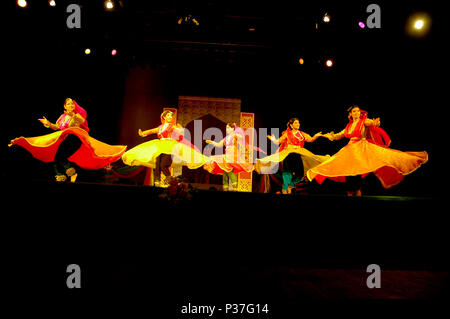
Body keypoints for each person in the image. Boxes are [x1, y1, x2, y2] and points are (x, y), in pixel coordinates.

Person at [307, 105, 428, 196]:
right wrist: (329, 136)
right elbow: (338, 136)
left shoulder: (363, 121)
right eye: (354, 111)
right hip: (350, 149)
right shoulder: (348, 126)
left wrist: (376, 123)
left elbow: (371, 123)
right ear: (350, 114)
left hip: (361, 148)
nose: (357, 113)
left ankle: (358, 192)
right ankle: (350, 192)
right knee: (347, 171)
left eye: (358, 111)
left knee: (358, 171)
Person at [9, 98, 127, 182]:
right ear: (64, 106)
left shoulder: (77, 116)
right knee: (56, 158)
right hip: (66, 140)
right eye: (69, 104)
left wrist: (73, 115)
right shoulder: (62, 117)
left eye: (72, 104)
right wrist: (48, 123)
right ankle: (62, 176)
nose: (71, 106)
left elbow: (80, 123)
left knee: (59, 157)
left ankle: (71, 172)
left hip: (74, 140)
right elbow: (57, 127)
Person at [122, 110, 209, 187]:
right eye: (168, 115)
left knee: (163, 165)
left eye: (171, 115)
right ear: (164, 117)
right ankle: (157, 181)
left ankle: (169, 179)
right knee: (156, 164)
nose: (170, 117)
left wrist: (181, 129)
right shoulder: (160, 127)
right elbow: (152, 131)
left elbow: (179, 130)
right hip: (160, 145)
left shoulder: (173, 126)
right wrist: (143, 133)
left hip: (169, 146)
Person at [255, 118, 330, 194]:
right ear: (291, 125)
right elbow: (278, 142)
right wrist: (273, 139)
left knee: (300, 173)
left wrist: (316, 136)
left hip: (298, 153)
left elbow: (310, 139)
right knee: (287, 171)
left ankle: (291, 185)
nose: (298, 124)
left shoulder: (301, 133)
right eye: (296, 123)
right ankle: (285, 188)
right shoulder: (287, 134)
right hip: (289, 153)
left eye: (298, 123)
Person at [204, 123, 254, 191]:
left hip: (233, 155)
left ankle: (235, 187)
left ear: (232, 128)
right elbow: (219, 145)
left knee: (230, 171)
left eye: (228, 128)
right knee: (225, 172)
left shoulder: (235, 136)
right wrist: (211, 142)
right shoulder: (226, 138)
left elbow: (241, 137)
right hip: (227, 155)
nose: (227, 129)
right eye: (226, 128)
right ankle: (225, 188)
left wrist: (236, 134)